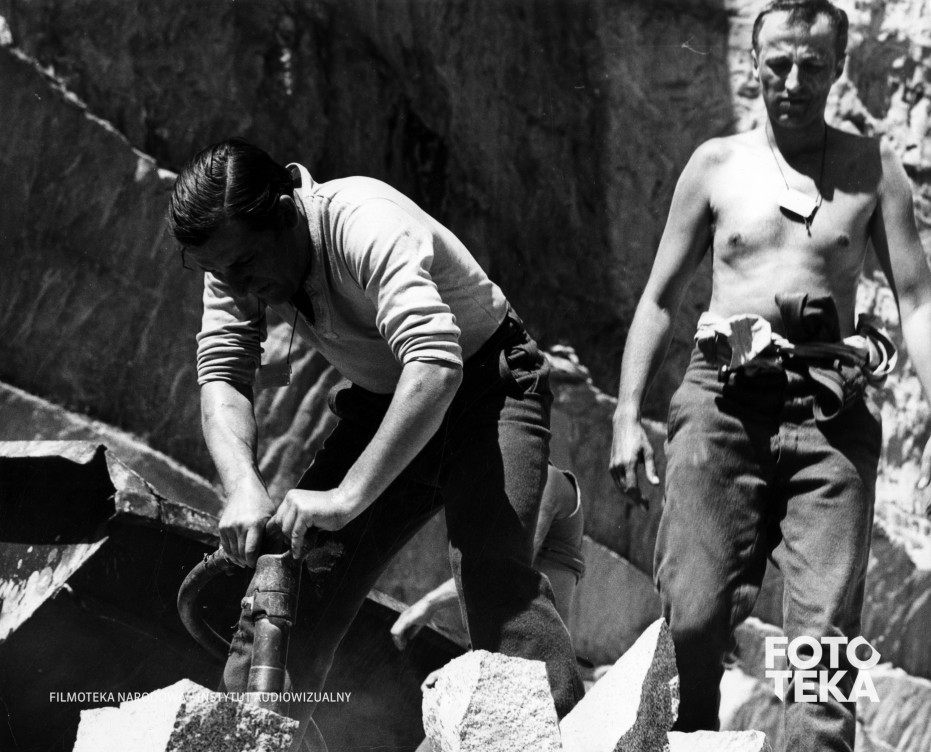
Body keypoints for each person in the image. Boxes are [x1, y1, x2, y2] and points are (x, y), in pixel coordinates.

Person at [167, 138, 584, 751]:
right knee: (285, 593)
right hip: (387, 397)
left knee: (495, 579)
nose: (237, 287)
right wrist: (244, 489)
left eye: (245, 265)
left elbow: (435, 365)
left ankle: (566, 738)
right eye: (220, 272)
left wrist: (346, 497)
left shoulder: (363, 220)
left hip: (488, 386)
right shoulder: (233, 263)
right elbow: (223, 376)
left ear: (285, 212)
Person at [608, 2, 931, 751]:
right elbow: (659, 300)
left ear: (838, 66)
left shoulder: (872, 169)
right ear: (754, 61)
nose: (793, 80)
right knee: (692, 610)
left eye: (812, 65)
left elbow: (916, 302)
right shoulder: (715, 165)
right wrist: (627, 413)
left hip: (830, 415)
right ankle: (689, 734)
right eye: (778, 63)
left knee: (823, 642)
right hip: (722, 403)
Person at [390, 462, 585, 650]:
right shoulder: (505, 490)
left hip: (538, 654)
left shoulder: (548, 480)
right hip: (500, 649)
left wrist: (430, 603)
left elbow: (509, 567)